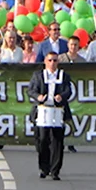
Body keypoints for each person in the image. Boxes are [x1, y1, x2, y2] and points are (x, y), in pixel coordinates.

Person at [28, 52, 73, 180]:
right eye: (50, 60)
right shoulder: (38, 75)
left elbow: (68, 90)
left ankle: (55, 171)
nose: (52, 63)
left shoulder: (63, 76)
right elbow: (31, 90)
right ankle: (44, 168)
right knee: (42, 140)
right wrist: (39, 97)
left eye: (54, 60)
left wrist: (62, 96)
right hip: (42, 111)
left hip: (58, 110)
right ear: (45, 61)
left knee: (57, 141)